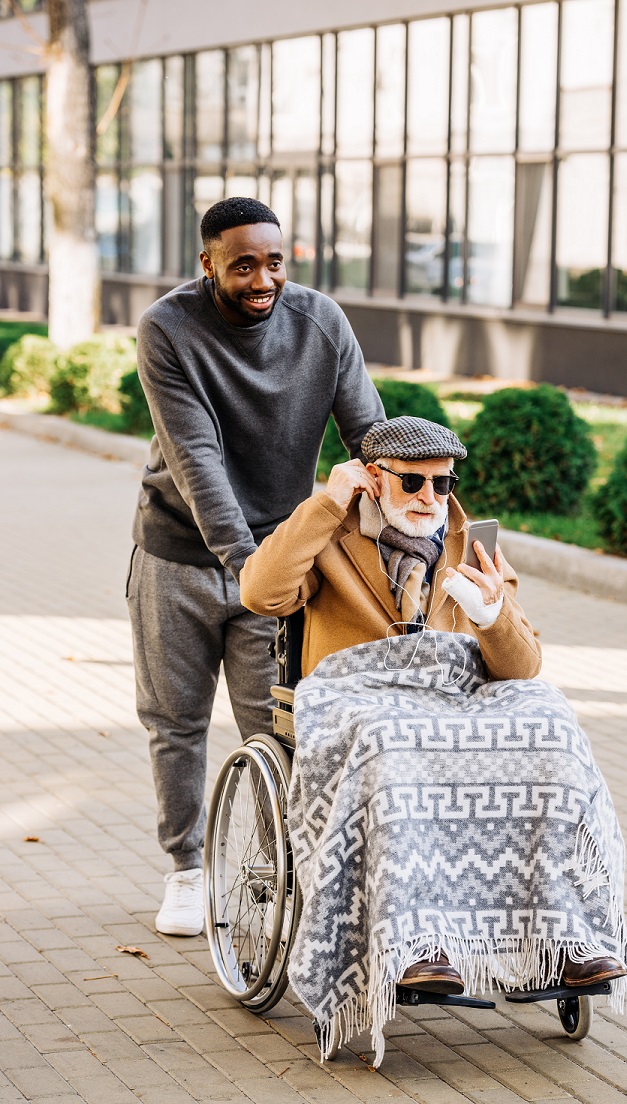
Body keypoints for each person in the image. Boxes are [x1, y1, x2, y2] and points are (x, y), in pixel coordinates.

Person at [240, 416, 627, 1063]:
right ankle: (416, 939)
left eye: (442, 482)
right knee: (392, 741)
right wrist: (326, 500)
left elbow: (523, 665)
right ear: (374, 480)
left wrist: (492, 615)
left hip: (452, 704)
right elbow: (260, 592)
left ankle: (568, 933)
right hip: (358, 700)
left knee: (550, 725)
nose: (431, 496)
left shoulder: (468, 537)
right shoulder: (330, 531)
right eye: (413, 482)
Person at [127, 197, 384, 937]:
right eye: (242, 265)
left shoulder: (320, 322)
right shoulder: (169, 329)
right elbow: (196, 458)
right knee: (173, 721)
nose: (261, 278)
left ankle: (281, 875)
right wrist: (247, 563)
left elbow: (366, 430)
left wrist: (410, 494)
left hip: (274, 563)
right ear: (207, 264)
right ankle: (184, 871)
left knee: (271, 727)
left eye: (273, 262)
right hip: (177, 552)